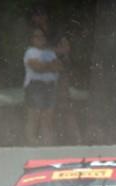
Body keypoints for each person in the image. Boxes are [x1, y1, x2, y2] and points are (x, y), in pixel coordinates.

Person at [29, 5, 81, 144]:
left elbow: (65, 48)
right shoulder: (35, 33)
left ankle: (76, 139)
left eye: (40, 15)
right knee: (45, 109)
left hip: (60, 74)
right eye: (36, 15)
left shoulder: (55, 32)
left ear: (45, 16)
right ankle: (49, 141)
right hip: (43, 77)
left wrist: (48, 52)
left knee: (64, 106)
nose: (38, 18)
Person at [23, 27, 62, 145]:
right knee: (34, 115)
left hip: (50, 86)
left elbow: (59, 67)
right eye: (37, 36)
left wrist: (44, 65)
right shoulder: (30, 52)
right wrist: (50, 65)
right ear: (32, 39)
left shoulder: (50, 52)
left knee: (48, 116)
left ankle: (47, 143)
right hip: (35, 86)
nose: (40, 39)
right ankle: (31, 142)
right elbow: (36, 68)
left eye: (42, 36)